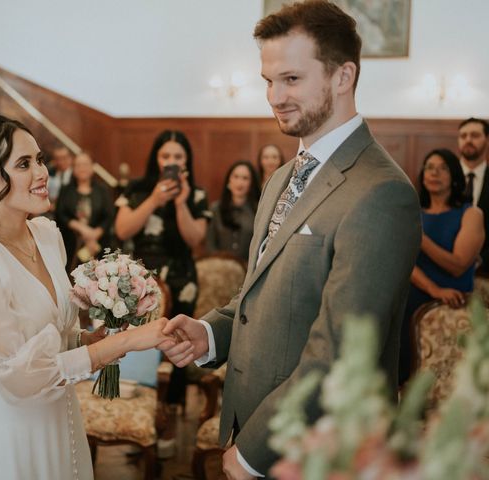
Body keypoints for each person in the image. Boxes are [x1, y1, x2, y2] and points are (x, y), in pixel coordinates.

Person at [160, 2, 422, 478]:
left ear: (343, 77)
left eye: (292, 79)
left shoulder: (382, 193)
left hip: (316, 450)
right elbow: (264, 295)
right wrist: (211, 333)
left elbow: (341, 354)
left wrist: (253, 453)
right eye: (268, 81)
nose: (274, 96)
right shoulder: (283, 176)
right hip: (256, 420)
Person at [0, 114, 174, 480]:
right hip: (10, 429)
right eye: (24, 164)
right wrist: (122, 343)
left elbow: (48, 336)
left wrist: (87, 339)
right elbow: (19, 374)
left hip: (60, 414)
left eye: (40, 159)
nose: (41, 173)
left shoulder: (46, 236)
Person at [114, 129, 210, 451]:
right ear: (156, 158)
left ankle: (167, 415)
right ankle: (137, 411)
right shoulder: (139, 189)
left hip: (180, 276)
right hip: (141, 277)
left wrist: (180, 204)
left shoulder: (195, 194)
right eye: (166, 156)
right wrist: (154, 199)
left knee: (178, 342)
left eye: (178, 157)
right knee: (138, 341)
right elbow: (122, 228)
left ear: (187, 162)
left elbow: (195, 239)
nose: (171, 162)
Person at [399, 148, 484, 385]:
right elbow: (405, 262)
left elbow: (458, 265)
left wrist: (420, 237)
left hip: (453, 296)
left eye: (443, 168)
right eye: (429, 167)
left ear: (455, 176)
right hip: (418, 293)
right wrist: (432, 288)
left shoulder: (471, 214)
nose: (434, 173)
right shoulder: (414, 213)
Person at [54, 152, 114, 271]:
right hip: (71, 245)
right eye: (78, 165)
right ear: (73, 168)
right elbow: (60, 214)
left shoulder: (102, 190)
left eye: (85, 164)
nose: (82, 168)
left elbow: (109, 215)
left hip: (99, 244)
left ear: (92, 167)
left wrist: (94, 234)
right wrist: (81, 228)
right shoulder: (66, 190)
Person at [206, 160, 260, 261]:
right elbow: (210, 245)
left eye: (245, 178)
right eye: (236, 177)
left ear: (251, 183)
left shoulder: (258, 210)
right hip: (219, 268)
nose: (240, 182)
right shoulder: (215, 209)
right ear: (228, 181)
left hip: (248, 270)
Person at [457, 117, 489, 274]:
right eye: (463, 136)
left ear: (487, 139)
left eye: (475, 135)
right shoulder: (441, 179)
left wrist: (480, 260)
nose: (468, 140)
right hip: (445, 269)